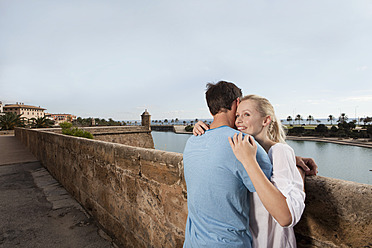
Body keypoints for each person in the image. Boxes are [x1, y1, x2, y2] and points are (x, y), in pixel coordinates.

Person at [194, 94, 317, 247]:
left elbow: (286, 217)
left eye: (246, 114)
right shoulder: (241, 149)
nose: (239, 120)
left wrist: (297, 169)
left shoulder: (278, 151)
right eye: (237, 115)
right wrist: (203, 128)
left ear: (266, 120)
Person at [183, 81, 273, 248]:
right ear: (237, 103)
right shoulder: (243, 143)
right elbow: (269, 185)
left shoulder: (192, 141)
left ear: (211, 109)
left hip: (192, 243)